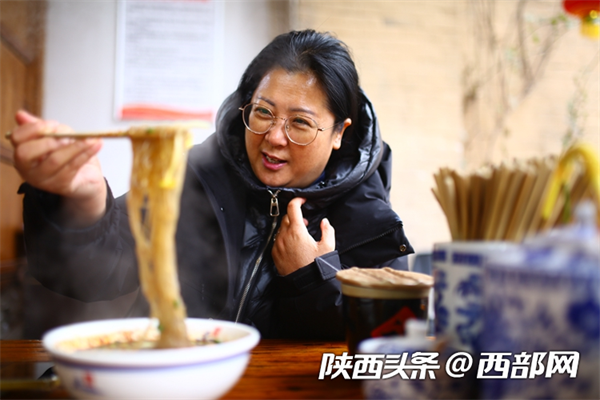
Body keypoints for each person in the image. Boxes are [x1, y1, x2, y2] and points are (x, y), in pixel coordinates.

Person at [9, 29, 413, 340]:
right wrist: (82, 202)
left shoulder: (370, 224)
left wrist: (312, 278)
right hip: (169, 379)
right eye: (263, 112)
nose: (274, 137)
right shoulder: (194, 175)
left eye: (300, 123)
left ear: (340, 132)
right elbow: (90, 274)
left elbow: (383, 346)